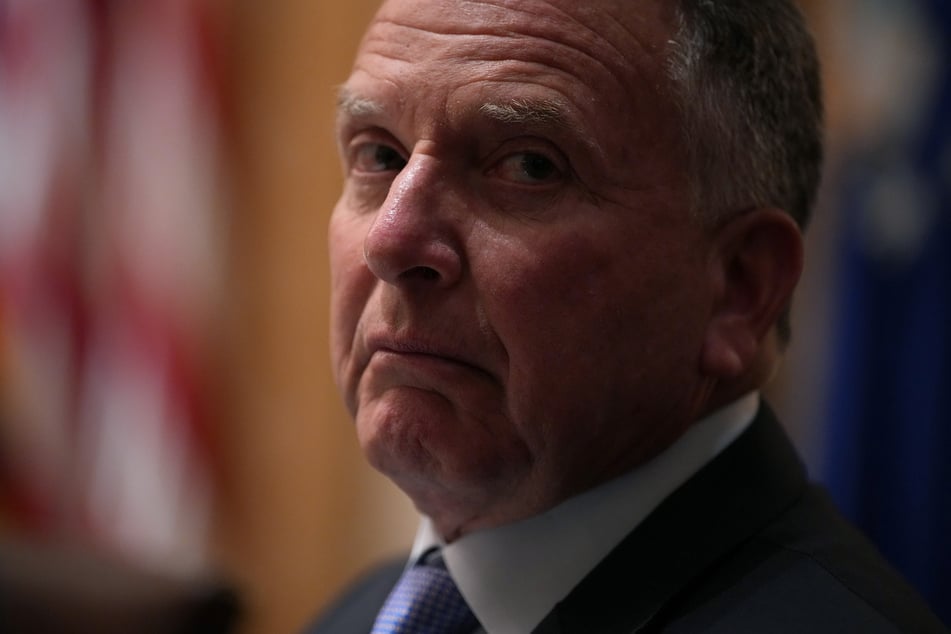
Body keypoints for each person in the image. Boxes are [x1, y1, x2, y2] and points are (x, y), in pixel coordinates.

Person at [306, 0, 948, 632]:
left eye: (530, 166)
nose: (390, 243)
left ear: (739, 289)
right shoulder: (359, 617)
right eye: (379, 156)